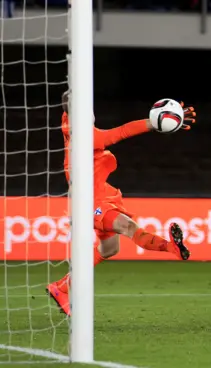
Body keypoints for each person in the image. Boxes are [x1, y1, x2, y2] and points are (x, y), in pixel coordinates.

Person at [46, 91, 196, 316]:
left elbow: (69, 98)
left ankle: (61, 287)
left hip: (101, 193)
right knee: (128, 227)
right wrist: (152, 122)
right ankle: (170, 247)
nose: (92, 114)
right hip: (89, 200)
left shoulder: (68, 122)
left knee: (110, 248)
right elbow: (119, 133)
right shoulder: (85, 135)